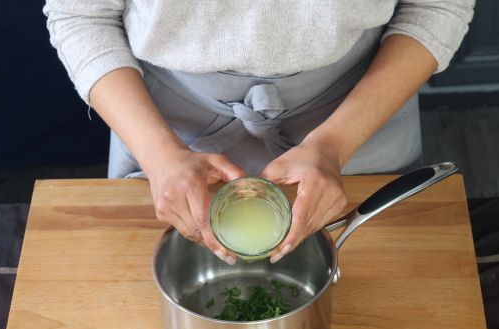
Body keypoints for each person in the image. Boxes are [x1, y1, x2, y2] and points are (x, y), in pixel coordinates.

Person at [43, 0, 474, 265]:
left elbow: (436, 5)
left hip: (358, 116)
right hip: (165, 132)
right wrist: (160, 157)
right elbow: (79, 13)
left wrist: (332, 145)